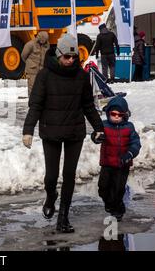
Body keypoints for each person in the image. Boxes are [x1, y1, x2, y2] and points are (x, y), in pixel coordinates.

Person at [22, 34, 104, 233]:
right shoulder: (45, 75)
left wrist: (99, 127)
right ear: (59, 54)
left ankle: (64, 217)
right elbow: (36, 105)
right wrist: (28, 130)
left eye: (74, 57)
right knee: (51, 176)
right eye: (67, 56)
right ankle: (51, 196)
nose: (71, 60)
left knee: (69, 175)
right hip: (51, 131)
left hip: (74, 132)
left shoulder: (81, 76)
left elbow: (88, 106)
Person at [96, 96, 141, 222]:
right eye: (113, 114)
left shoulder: (129, 127)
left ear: (125, 115)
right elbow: (95, 135)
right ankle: (110, 204)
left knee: (118, 189)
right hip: (107, 163)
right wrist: (96, 137)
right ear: (108, 112)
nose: (116, 117)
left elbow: (136, 143)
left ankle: (118, 209)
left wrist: (129, 154)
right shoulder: (104, 126)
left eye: (119, 115)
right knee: (103, 188)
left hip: (122, 164)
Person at [21, 31, 50, 96]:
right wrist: (29, 64)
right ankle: (32, 104)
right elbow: (23, 56)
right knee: (32, 89)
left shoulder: (47, 45)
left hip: (42, 70)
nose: (44, 42)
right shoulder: (30, 44)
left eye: (45, 40)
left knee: (41, 89)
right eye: (43, 40)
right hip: (32, 71)